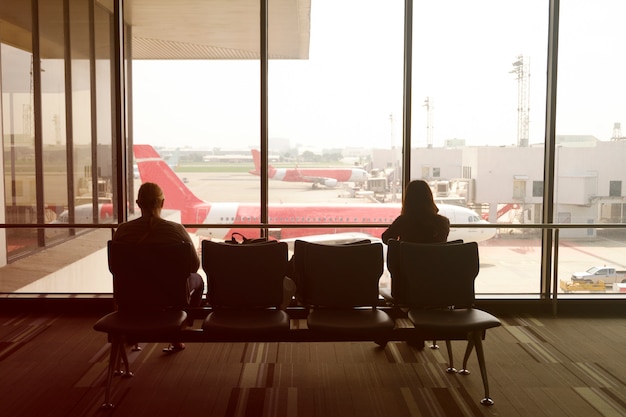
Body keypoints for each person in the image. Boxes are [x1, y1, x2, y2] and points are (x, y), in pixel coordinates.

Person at [113, 182, 204, 353]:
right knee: (198, 281)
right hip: (170, 294)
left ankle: (134, 328)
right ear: (162, 203)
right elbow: (194, 265)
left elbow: (117, 267)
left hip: (133, 295)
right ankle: (178, 330)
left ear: (138, 204)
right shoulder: (176, 230)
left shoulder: (123, 231)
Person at [382, 180, 450, 244]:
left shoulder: (403, 221)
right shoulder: (443, 222)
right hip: (434, 256)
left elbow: (386, 238)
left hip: (408, 256)